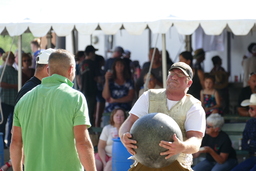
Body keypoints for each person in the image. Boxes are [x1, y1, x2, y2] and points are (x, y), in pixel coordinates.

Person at [10, 49, 97, 171]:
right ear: (71, 69)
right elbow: (82, 143)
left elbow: (15, 143)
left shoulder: (24, 99)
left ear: (48, 70)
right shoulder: (75, 97)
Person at [119, 62, 206, 170]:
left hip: (177, 163)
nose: (174, 77)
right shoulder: (149, 96)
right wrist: (124, 137)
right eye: (171, 73)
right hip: (145, 162)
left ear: (189, 83)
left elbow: (196, 141)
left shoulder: (194, 107)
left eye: (180, 75)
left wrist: (182, 146)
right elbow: (129, 122)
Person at [0, 48, 55, 171]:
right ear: (48, 68)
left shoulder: (37, 87)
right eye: (58, 69)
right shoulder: (31, 90)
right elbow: (16, 136)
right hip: (34, 158)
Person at [231, 94, 256, 171]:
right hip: (253, 157)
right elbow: (244, 143)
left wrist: (250, 142)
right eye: (249, 108)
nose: (249, 111)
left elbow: (248, 142)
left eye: (252, 108)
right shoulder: (250, 122)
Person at [0, 51, 18, 148]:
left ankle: (11, 143)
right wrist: (14, 86)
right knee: (3, 123)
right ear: (5, 59)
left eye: (12, 58)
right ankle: (2, 144)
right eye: (9, 58)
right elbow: (1, 83)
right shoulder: (2, 70)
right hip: (5, 99)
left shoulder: (15, 71)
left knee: (13, 124)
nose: (11, 60)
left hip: (14, 100)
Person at [80, 45, 100, 126]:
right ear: (91, 53)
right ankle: (89, 129)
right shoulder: (94, 63)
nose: (94, 54)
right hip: (92, 90)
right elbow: (98, 78)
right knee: (91, 111)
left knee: (83, 110)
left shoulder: (82, 64)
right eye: (94, 52)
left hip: (83, 90)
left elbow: (79, 78)